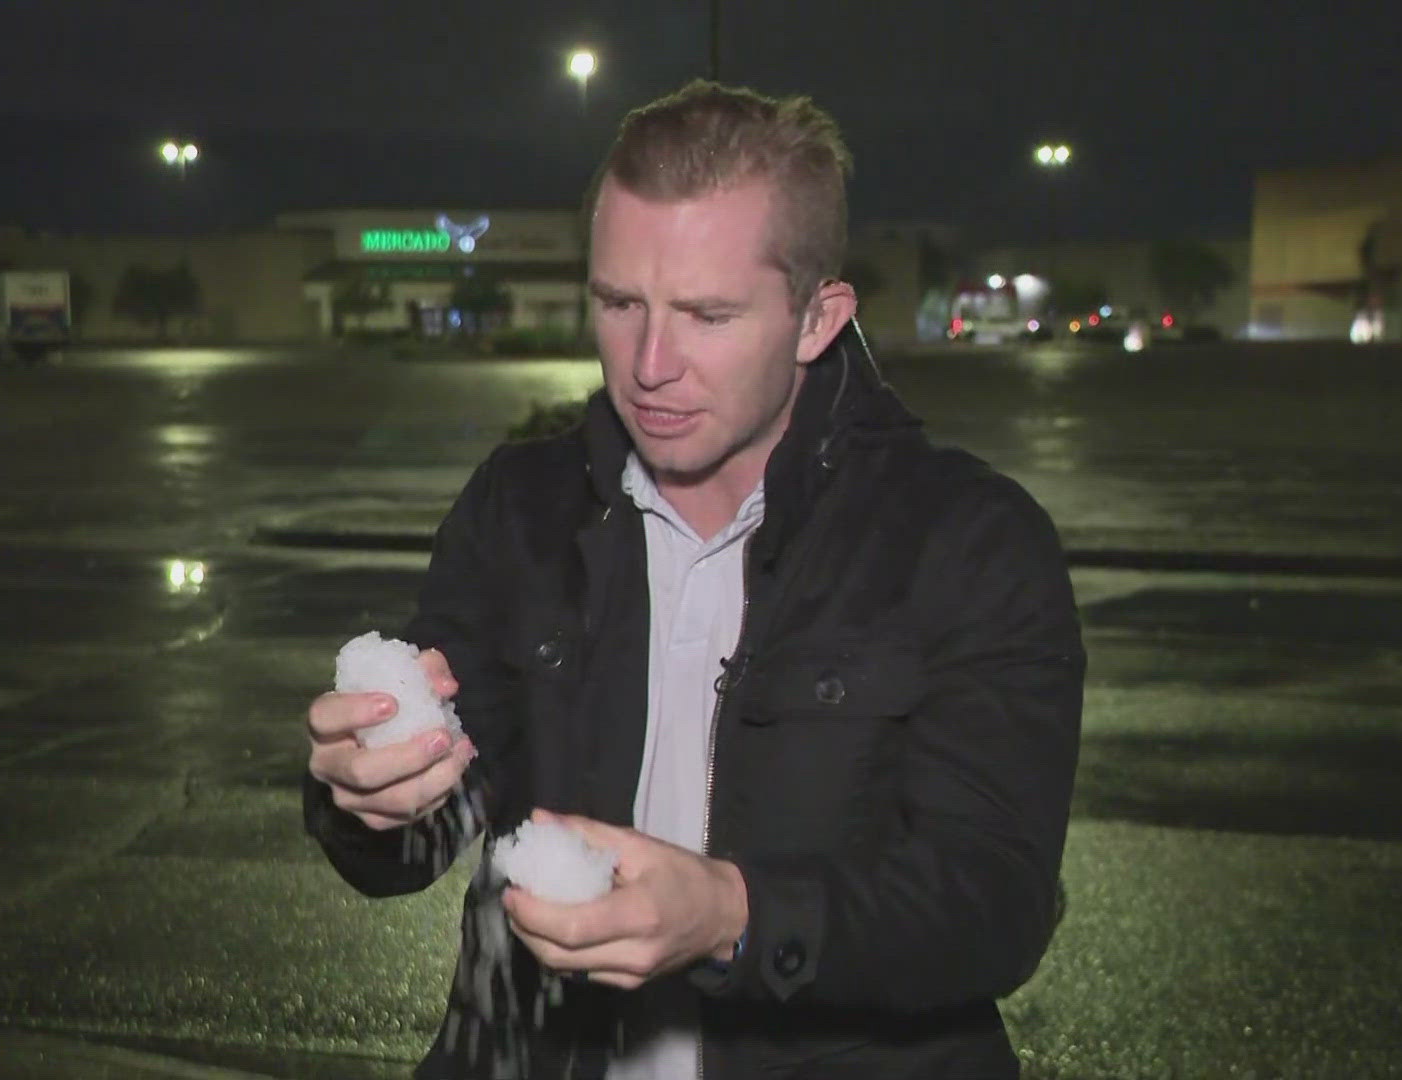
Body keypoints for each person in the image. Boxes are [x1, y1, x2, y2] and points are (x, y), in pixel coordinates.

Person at [305, 80, 1084, 1079]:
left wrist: (733, 917)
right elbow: (421, 839)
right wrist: (369, 798)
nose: (649, 364)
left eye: (708, 314)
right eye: (620, 303)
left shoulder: (968, 541)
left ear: (817, 319)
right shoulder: (519, 511)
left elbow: (993, 906)